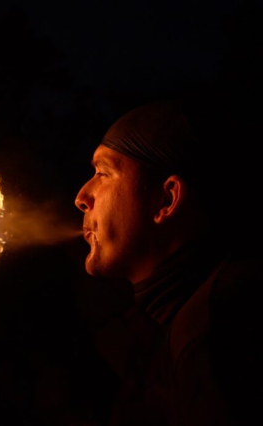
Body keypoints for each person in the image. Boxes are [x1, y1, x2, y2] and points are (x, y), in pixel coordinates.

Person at [73, 99, 263, 426]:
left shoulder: (217, 328)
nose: (82, 197)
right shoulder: (202, 312)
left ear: (165, 200)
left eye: (103, 173)